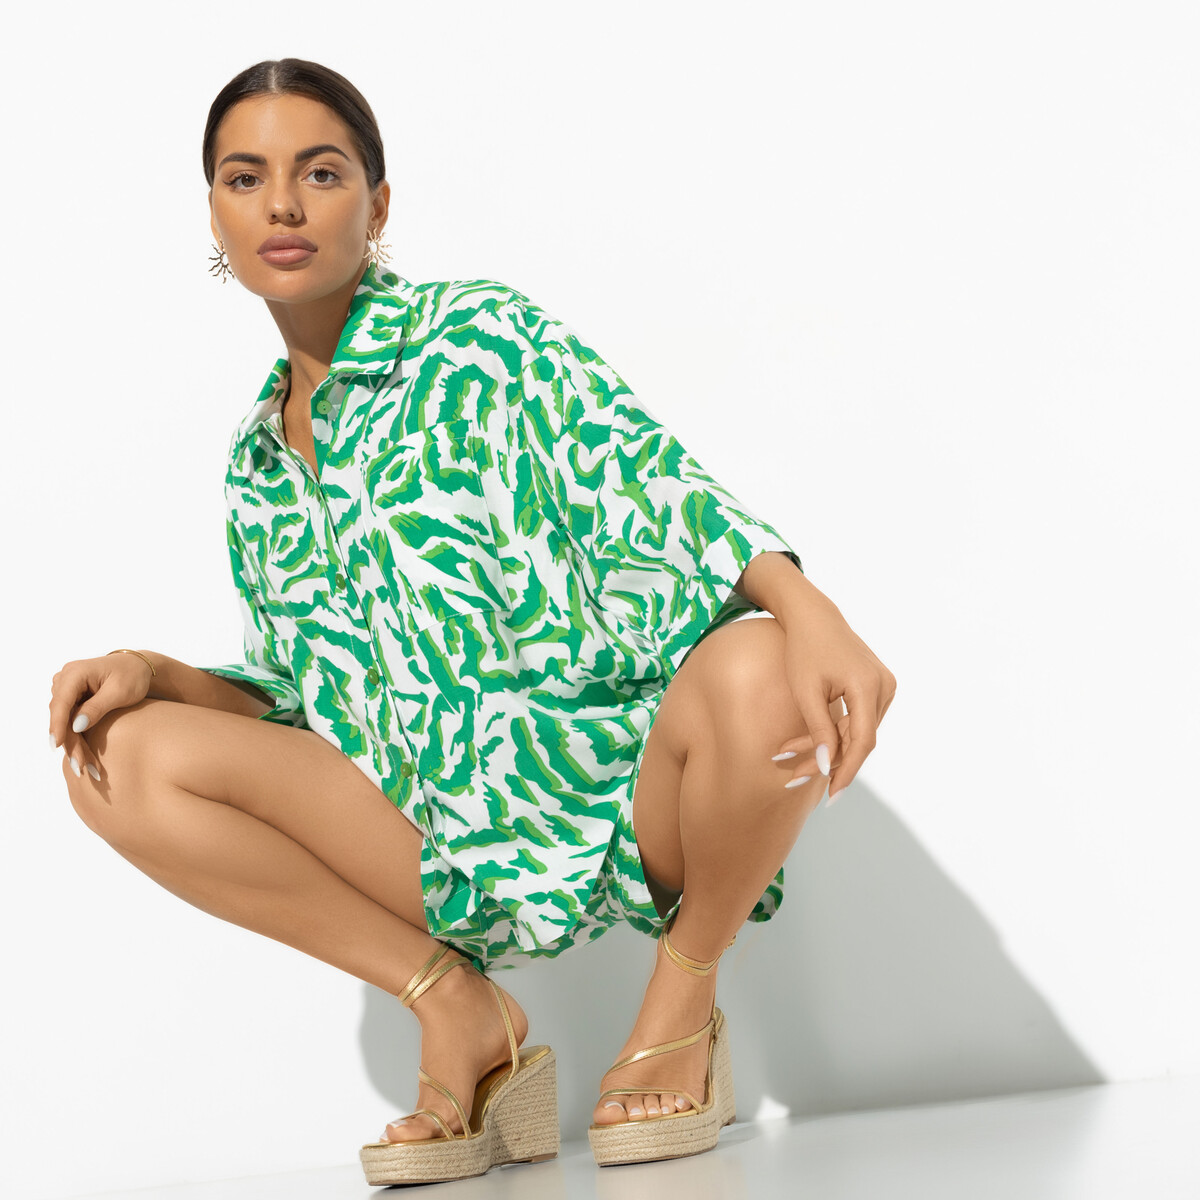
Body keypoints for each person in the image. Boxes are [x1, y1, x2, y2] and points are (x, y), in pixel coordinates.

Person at [48, 58, 896, 1185]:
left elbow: (648, 481)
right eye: (246, 179)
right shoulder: (255, 464)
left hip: (614, 799)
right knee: (113, 754)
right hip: (430, 847)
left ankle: (684, 1001)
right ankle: (457, 1011)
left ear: (378, 205)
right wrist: (150, 670)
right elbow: (299, 699)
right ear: (215, 214)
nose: (283, 205)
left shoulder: (480, 336)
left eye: (321, 173)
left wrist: (806, 604)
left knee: (765, 666)